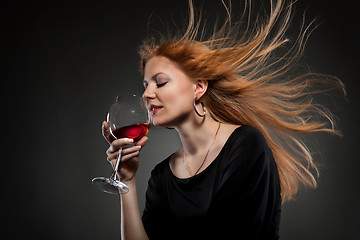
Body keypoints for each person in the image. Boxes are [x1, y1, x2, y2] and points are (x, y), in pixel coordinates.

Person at [102, 0, 344, 239]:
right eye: (145, 85)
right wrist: (128, 181)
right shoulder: (162, 176)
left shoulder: (246, 146)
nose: (146, 94)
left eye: (161, 82)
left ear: (198, 87)